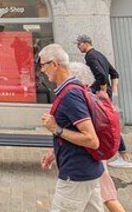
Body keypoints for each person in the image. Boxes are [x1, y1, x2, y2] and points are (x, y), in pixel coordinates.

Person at [38, 44, 104, 212]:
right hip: (88, 172)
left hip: (75, 175)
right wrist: (54, 152)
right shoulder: (73, 88)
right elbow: (74, 128)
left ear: (54, 64)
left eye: (43, 65)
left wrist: (56, 129)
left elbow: (91, 140)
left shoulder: (70, 95)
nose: (42, 70)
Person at [68, 62, 126, 212]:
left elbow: (87, 135)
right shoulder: (90, 96)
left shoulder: (81, 100)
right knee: (102, 198)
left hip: (91, 158)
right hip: (96, 157)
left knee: (108, 197)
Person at [75, 35, 132, 169]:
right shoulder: (99, 54)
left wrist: (103, 92)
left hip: (99, 94)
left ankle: (124, 156)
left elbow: (101, 75)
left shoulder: (90, 56)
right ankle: (104, 153)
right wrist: (112, 91)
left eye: (79, 44)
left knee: (106, 124)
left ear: (85, 43)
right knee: (106, 123)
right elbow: (114, 73)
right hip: (105, 93)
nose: (78, 47)